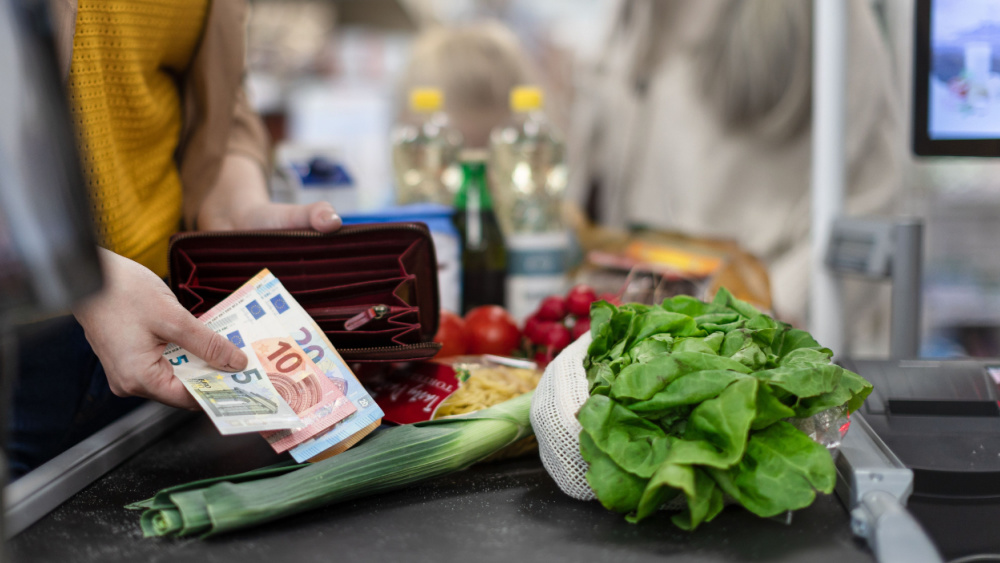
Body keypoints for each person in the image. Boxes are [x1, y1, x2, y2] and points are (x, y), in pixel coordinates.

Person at [8, 0, 340, 478]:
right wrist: (74, 269)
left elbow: (214, 98)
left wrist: (236, 199)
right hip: (20, 346)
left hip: (161, 324)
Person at [567, 0, 900, 355]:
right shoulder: (633, 16)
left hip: (761, 344)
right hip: (656, 336)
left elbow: (871, 194)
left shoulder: (833, 15)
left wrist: (769, 318)